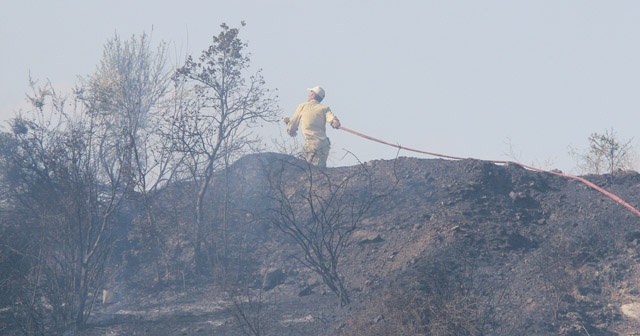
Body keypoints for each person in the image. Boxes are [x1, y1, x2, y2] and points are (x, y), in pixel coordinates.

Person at [287, 86, 341, 168]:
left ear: (313, 95)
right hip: (324, 144)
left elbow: (293, 123)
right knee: (321, 172)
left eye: (310, 92)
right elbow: (332, 119)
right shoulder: (324, 108)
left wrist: (291, 130)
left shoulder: (302, 106)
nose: (309, 94)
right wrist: (335, 122)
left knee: (310, 172)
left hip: (311, 144)